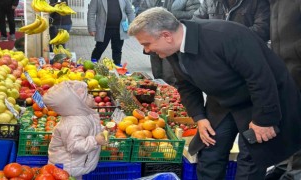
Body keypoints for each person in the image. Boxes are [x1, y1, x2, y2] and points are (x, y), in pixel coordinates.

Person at [128, 7, 301, 180]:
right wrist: (199, 117)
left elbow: (261, 78)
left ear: (166, 35)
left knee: (251, 160)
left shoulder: (226, 36)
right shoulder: (173, 49)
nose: (147, 51)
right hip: (223, 100)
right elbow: (186, 86)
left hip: (259, 99)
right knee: (210, 151)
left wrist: (264, 120)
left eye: (146, 44)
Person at [264, 1, 301, 179]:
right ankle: (283, 164)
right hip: (283, 67)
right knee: (286, 118)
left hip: (297, 66)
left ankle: (296, 170)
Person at [42, 81, 107, 180]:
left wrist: (102, 130)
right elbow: (75, 145)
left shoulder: (83, 116)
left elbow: (90, 129)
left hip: (74, 163)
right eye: (87, 95)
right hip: (66, 167)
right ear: (78, 103)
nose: (92, 96)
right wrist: (95, 140)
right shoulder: (75, 123)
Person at [138, 0, 200, 86]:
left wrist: (169, 14)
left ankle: (172, 97)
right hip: (154, 39)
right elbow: (144, 11)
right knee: (157, 74)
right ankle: (160, 96)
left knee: (169, 76)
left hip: (171, 42)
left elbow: (194, 14)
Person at [193, 0, 270, 42]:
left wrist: (232, 39)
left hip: (245, 53)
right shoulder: (210, 1)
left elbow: (262, 29)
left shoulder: (257, 1)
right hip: (215, 54)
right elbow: (196, 23)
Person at [87, 0, 135, 65]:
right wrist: (92, 28)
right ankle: (92, 64)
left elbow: (130, 12)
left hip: (119, 29)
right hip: (103, 29)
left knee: (117, 50)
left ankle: (117, 67)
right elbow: (91, 13)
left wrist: (132, 25)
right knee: (99, 48)